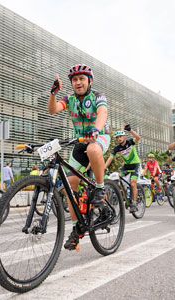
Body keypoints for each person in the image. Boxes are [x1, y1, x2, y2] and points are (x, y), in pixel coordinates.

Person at [48, 64, 110, 251]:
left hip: (99, 136)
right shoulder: (70, 99)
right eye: (74, 80)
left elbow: (102, 113)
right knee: (69, 185)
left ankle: (100, 188)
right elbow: (53, 110)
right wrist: (53, 94)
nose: (78, 82)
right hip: (79, 142)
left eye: (82, 79)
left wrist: (96, 129)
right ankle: (77, 229)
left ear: (89, 81)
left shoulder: (98, 96)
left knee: (93, 149)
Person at [104, 124, 141, 212]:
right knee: (118, 177)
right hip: (126, 166)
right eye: (117, 137)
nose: (119, 138)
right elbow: (110, 158)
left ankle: (134, 203)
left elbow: (138, 138)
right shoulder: (117, 148)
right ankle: (126, 198)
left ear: (124, 137)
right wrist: (104, 168)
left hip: (135, 165)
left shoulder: (130, 142)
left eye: (120, 136)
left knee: (132, 183)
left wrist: (130, 130)